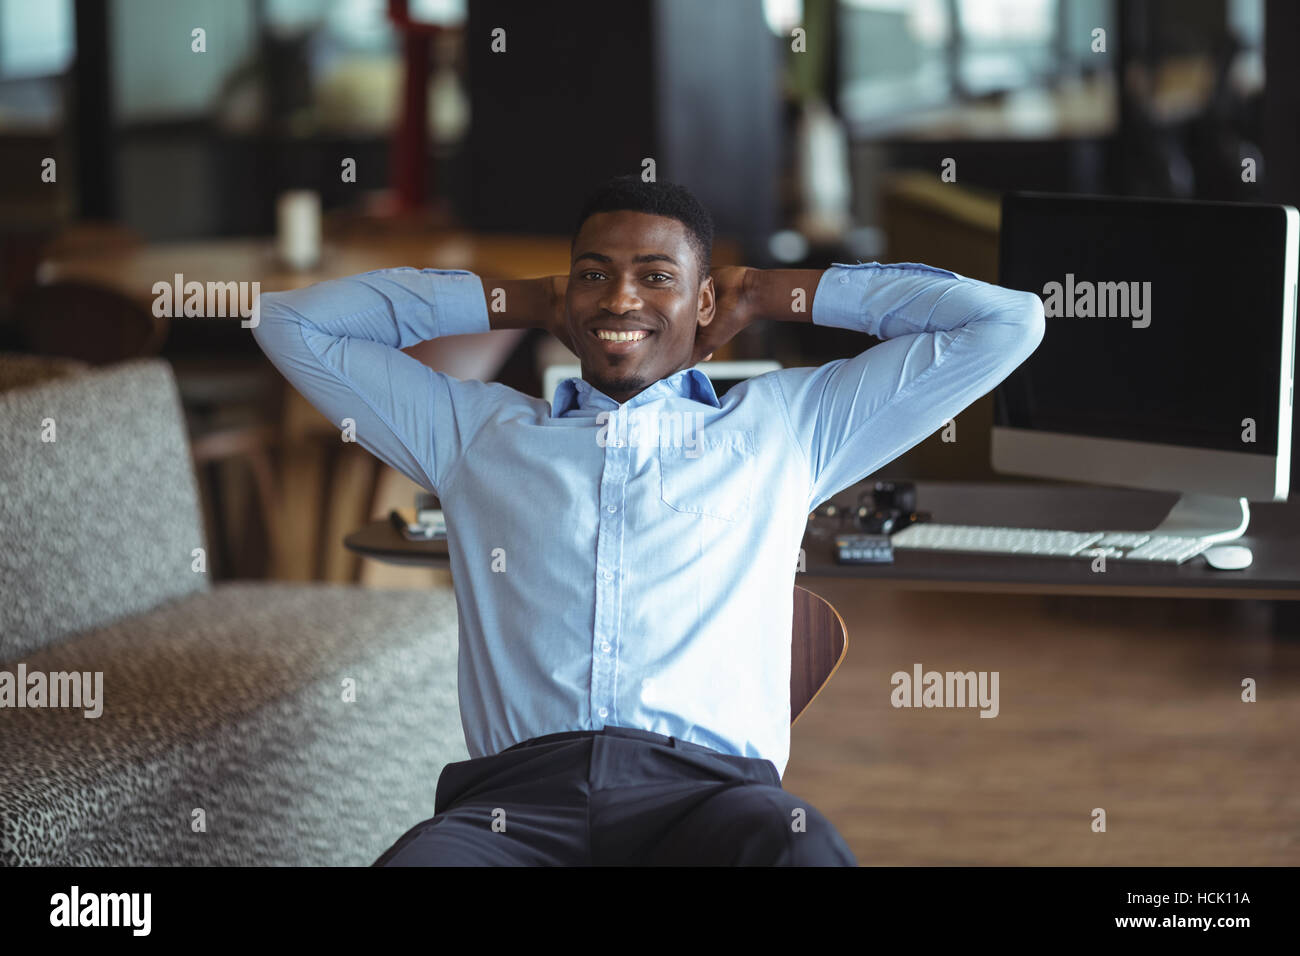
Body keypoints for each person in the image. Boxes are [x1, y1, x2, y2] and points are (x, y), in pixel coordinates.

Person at [252, 174, 1045, 866]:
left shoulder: (787, 427)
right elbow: (288, 322)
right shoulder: (472, 434)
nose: (620, 299)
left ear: (704, 301)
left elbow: (1005, 323)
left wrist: (769, 290)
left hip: (710, 797)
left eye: (656, 277)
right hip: (514, 809)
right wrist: (519, 301)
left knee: (798, 848)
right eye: (593, 275)